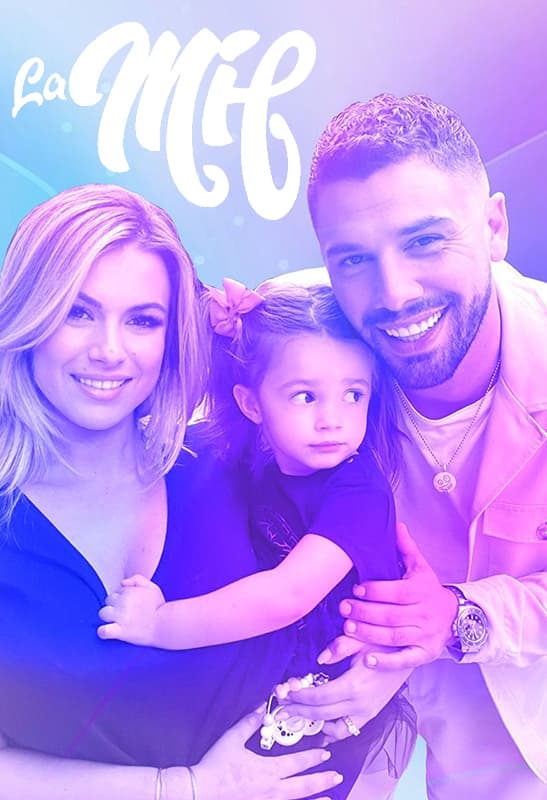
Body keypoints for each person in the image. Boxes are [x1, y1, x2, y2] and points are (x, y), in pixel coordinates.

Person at [0, 184, 345, 800]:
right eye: (78, 312)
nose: (109, 351)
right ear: (30, 314)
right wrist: (185, 788)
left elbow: (354, 598)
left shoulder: (230, 464)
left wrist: (379, 672)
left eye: (142, 320)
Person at [279, 93, 547, 799]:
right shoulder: (303, 344)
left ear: (493, 226)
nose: (394, 294)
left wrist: (460, 617)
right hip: (362, 719)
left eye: (425, 241)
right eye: (352, 259)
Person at [96, 282, 417, 789]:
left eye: (353, 395)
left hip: (324, 692)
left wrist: (158, 624)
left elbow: (285, 596)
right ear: (251, 403)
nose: (332, 420)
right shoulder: (256, 461)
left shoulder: (360, 490)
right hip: (277, 669)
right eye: (305, 396)